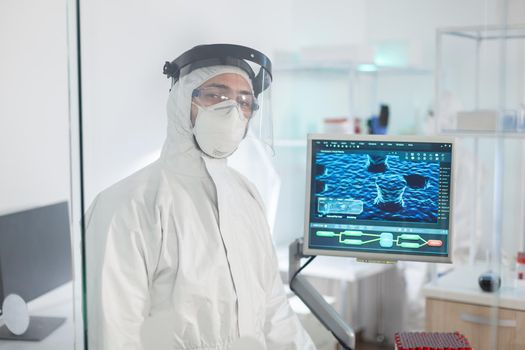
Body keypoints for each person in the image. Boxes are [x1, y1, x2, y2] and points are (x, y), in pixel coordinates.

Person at [85, 44, 315, 350]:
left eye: (244, 102)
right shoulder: (126, 206)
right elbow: (114, 336)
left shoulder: (246, 195)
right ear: (182, 101)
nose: (232, 111)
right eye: (214, 95)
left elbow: (274, 311)